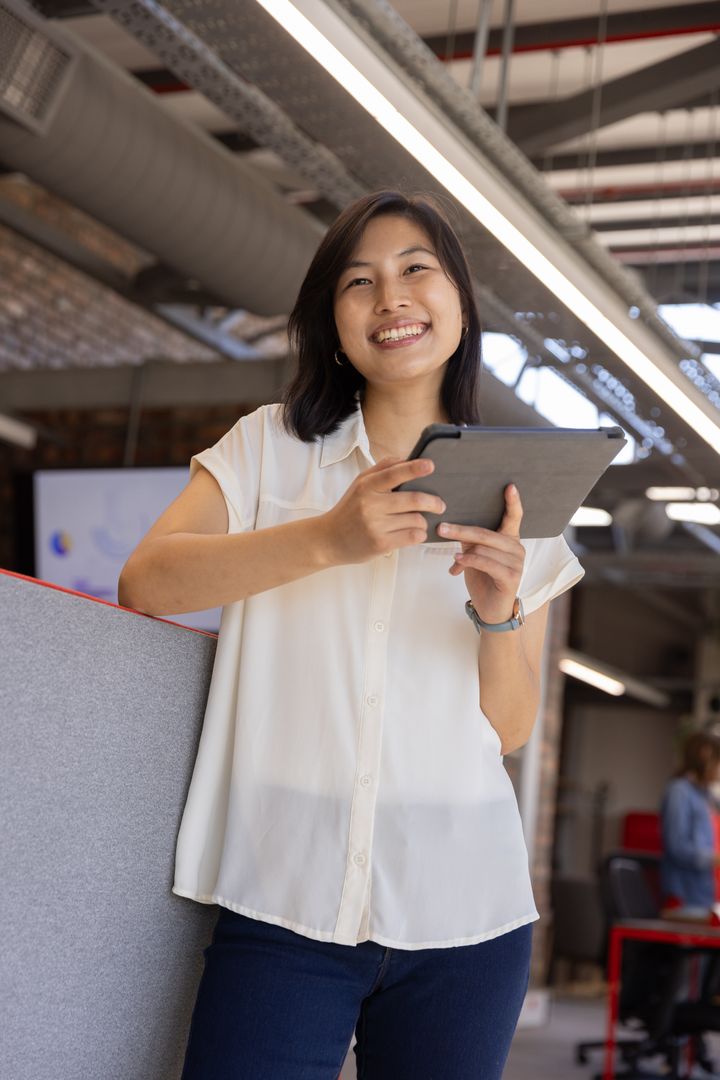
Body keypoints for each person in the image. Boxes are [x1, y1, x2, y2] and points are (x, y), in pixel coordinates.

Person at [119, 190, 584, 1079]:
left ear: (458, 305)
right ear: (333, 325)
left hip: (466, 913)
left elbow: (513, 726)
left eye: (418, 271)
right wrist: (328, 538)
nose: (392, 299)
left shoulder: (530, 492)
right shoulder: (268, 449)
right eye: (359, 282)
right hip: (284, 898)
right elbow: (146, 582)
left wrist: (498, 611)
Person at [660, 729, 720, 913]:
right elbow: (677, 847)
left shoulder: (708, 796)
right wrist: (715, 859)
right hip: (688, 897)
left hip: (707, 895)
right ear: (705, 756)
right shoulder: (680, 792)